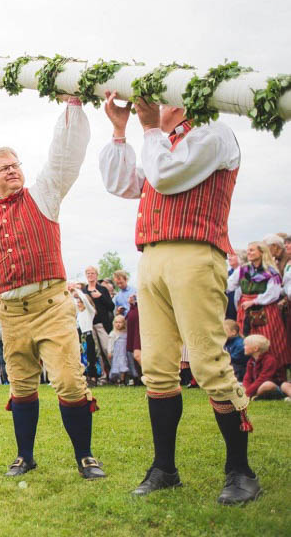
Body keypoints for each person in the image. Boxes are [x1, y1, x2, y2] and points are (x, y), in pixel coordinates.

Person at [99, 90, 259, 504]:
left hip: (195, 254)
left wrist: (149, 128)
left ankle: (241, 471)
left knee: (208, 363)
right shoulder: (161, 145)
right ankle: (164, 468)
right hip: (151, 257)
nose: (149, 106)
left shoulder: (213, 133)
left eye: (160, 99)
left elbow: (167, 176)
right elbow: (121, 184)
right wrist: (121, 132)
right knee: (156, 367)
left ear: (182, 102)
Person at [0, 97, 103, 479]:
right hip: (10, 314)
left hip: (52, 306)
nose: (12, 171)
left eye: (15, 165)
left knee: (70, 381)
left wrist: (72, 109)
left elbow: (63, 158)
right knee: (21, 386)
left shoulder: (44, 195)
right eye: (3, 168)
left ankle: (85, 456)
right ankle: (25, 456)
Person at [228, 242, 289, 368]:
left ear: (261, 252)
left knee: (268, 340)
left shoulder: (271, 272)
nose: (248, 252)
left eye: (252, 250)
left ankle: (272, 371)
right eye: (248, 250)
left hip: (266, 310)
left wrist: (254, 301)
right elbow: (229, 285)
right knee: (246, 340)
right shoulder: (243, 270)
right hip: (245, 310)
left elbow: (274, 294)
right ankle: (250, 373)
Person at [82, 266, 113, 380]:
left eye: (92, 273)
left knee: (107, 349)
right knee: (97, 352)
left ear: (96, 275)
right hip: (89, 325)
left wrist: (100, 297)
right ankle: (102, 377)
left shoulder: (102, 290)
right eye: (88, 273)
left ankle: (116, 375)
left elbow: (111, 306)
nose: (90, 275)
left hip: (102, 323)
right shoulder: (84, 291)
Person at [241, 334, 290, 400]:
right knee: (239, 385)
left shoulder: (270, 360)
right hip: (258, 386)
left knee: (267, 385)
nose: (244, 347)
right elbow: (247, 378)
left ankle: (255, 397)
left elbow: (263, 379)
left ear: (255, 348)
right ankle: (255, 396)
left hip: (276, 387)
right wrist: (245, 390)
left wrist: (247, 393)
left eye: (246, 345)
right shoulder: (251, 361)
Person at [108, 315, 134, 385]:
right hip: (117, 353)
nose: (118, 324)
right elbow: (110, 343)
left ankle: (125, 379)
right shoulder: (113, 333)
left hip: (125, 353)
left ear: (124, 323)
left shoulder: (126, 333)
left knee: (126, 365)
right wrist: (110, 351)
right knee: (118, 366)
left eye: (120, 322)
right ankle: (119, 380)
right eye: (116, 322)